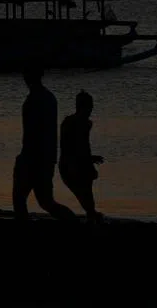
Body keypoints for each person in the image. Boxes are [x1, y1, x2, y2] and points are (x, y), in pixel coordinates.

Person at [12, 65, 77, 222]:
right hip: (43, 158)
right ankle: (73, 221)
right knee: (45, 202)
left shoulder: (38, 98)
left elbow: (35, 132)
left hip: (34, 157)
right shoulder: (47, 97)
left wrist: (27, 157)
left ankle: (73, 221)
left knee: (23, 199)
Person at [60, 90, 105, 224]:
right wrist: (89, 160)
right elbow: (73, 148)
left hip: (74, 164)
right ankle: (91, 215)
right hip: (71, 165)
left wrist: (89, 159)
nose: (90, 111)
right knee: (85, 194)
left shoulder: (77, 123)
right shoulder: (79, 124)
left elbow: (81, 148)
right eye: (89, 107)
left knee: (85, 195)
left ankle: (91, 215)